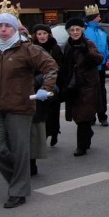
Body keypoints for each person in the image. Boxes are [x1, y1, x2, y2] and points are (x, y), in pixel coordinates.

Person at [0, 1, 57, 208]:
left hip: (20, 108)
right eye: (0, 26)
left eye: (8, 26)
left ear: (14, 28)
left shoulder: (26, 49)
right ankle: (19, 180)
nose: (4, 30)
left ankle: (18, 190)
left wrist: (45, 88)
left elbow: (50, 67)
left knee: (19, 149)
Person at [58, 17, 103, 156]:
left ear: (82, 31)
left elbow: (98, 59)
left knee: (83, 116)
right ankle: (87, 134)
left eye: (78, 29)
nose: (75, 32)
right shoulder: (67, 46)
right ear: (69, 32)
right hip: (73, 86)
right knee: (78, 117)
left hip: (87, 86)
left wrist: (86, 52)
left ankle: (81, 147)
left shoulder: (88, 44)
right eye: (72, 30)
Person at [29, 24, 64, 175]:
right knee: (40, 115)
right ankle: (46, 134)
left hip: (52, 85)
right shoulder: (32, 48)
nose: (42, 36)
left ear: (48, 35)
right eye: (39, 34)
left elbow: (58, 67)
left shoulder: (55, 48)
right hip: (37, 88)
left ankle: (54, 131)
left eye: (44, 33)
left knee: (52, 113)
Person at [83, 5, 109, 127]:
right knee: (90, 92)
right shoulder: (84, 32)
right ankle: (91, 116)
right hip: (89, 68)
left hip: (101, 67)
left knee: (101, 92)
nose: (100, 18)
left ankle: (102, 115)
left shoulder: (102, 33)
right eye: (98, 16)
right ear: (94, 18)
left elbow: (106, 48)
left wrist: (108, 59)